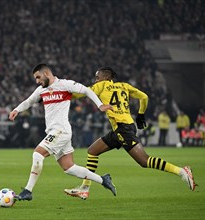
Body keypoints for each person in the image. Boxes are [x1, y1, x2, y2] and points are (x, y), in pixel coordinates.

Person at [64, 67, 197, 200]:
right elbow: (144, 97)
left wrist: (62, 96)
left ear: (106, 78)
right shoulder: (124, 86)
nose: (96, 80)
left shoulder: (101, 85)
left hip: (123, 129)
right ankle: (85, 189)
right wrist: (140, 114)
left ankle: (181, 171)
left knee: (144, 161)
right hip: (123, 127)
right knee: (93, 151)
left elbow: (83, 93)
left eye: (97, 77)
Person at [8, 63, 116, 201]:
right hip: (54, 131)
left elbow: (86, 90)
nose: (37, 81)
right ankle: (103, 180)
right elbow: (29, 101)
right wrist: (16, 110)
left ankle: (28, 191)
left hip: (61, 130)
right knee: (69, 167)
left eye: (38, 77)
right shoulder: (41, 89)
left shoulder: (65, 84)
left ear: (46, 73)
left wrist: (100, 105)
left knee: (37, 154)